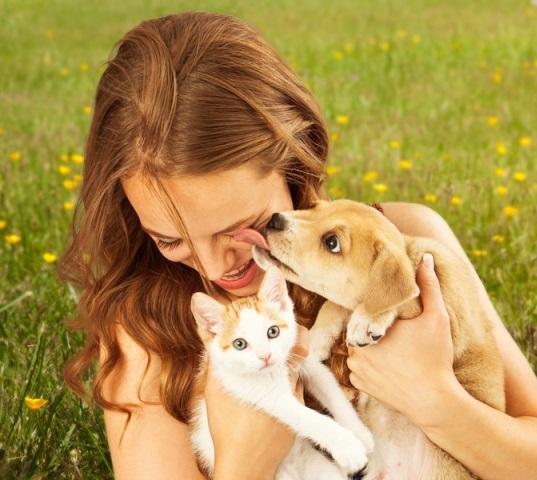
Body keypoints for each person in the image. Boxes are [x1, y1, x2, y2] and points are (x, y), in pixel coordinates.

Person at [58, 11, 537, 480]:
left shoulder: (403, 245)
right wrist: (245, 462)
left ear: (294, 162)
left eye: (240, 226)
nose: (213, 265)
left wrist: (435, 401)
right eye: (169, 239)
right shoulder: (147, 335)